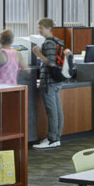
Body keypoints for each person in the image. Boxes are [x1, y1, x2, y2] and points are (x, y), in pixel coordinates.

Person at [31, 18, 66, 149]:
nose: (39, 30)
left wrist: (38, 53)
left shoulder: (49, 43)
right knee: (57, 111)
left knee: (52, 112)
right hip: (57, 81)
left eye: (41, 28)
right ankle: (56, 137)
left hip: (49, 82)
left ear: (48, 28)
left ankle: (52, 139)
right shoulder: (57, 41)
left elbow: (51, 62)